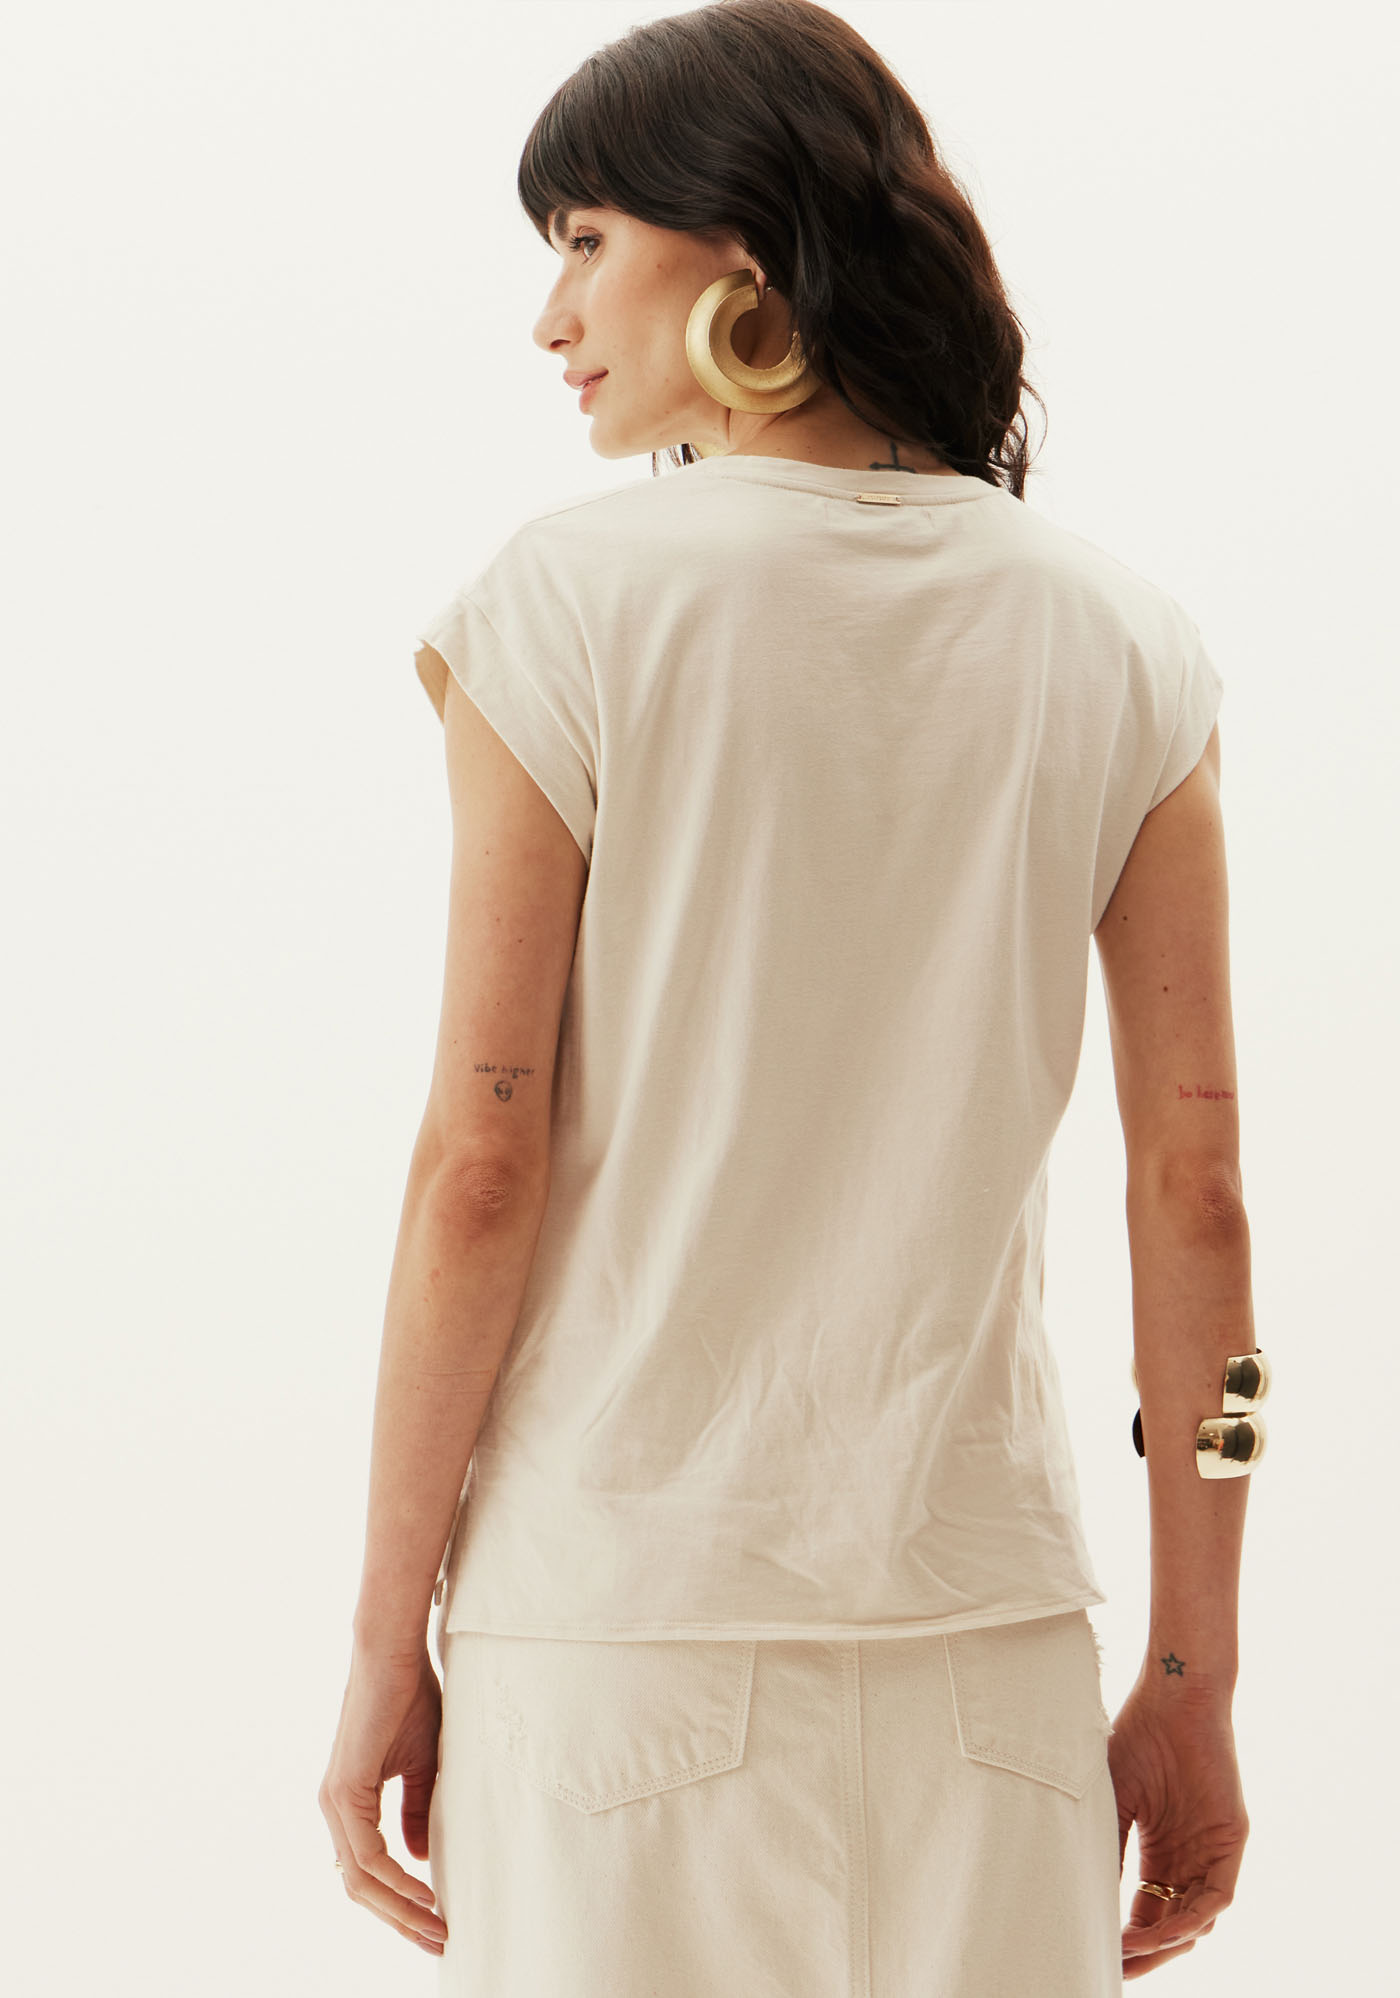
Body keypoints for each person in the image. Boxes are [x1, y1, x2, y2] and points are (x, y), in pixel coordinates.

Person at [318, 2, 1259, 1991]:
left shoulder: (567, 609)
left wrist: (387, 1636)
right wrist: (1197, 1673)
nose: (552, 316)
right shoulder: (1120, 643)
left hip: (614, 1636)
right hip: (987, 1654)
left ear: (741, 252)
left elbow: (481, 1164)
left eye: (586, 239)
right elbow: (1198, 1197)